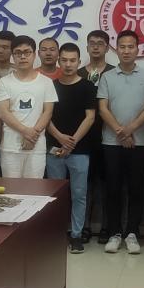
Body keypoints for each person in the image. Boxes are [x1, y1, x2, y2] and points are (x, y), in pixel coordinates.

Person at [97, 30, 144, 254]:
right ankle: (114, 233)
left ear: (137, 49)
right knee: (112, 189)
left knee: (136, 189)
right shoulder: (107, 76)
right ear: (116, 50)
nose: (126, 51)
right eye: (122, 47)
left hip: (139, 142)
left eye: (130, 46)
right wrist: (120, 133)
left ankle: (132, 233)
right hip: (111, 143)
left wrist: (130, 129)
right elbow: (103, 108)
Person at [45, 43, 96, 254]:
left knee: (79, 194)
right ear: (59, 61)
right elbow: (45, 116)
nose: (68, 64)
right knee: (56, 194)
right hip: (54, 149)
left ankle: (76, 235)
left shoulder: (88, 87)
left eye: (72, 60)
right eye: (64, 60)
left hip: (80, 150)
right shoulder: (50, 86)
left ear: (79, 62)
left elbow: (90, 117)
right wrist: (59, 138)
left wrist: (71, 142)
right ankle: (57, 234)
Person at [0, 36, 58, 178]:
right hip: (11, 147)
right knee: (12, 189)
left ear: (34, 55)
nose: (23, 56)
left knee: (34, 188)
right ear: (12, 56)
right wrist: (26, 132)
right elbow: (4, 113)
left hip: (37, 146)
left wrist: (32, 136)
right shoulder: (4, 82)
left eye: (27, 52)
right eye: (18, 53)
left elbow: (48, 112)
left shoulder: (46, 82)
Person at [79, 29, 115, 239]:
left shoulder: (114, 73)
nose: (95, 46)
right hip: (83, 138)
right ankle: (83, 226)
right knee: (84, 184)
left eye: (100, 43)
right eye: (92, 43)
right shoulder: (78, 73)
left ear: (107, 48)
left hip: (109, 136)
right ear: (87, 47)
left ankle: (106, 227)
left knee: (106, 184)